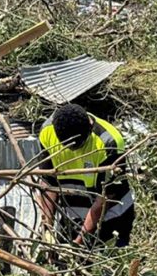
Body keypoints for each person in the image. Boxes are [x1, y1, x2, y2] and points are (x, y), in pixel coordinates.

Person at [38, 103, 134, 246]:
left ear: (89, 128)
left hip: (111, 217)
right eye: (67, 145)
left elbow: (105, 198)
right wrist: (48, 228)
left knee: (107, 260)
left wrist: (78, 242)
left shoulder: (109, 142)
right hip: (72, 214)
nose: (73, 150)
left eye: (78, 145)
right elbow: (48, 183)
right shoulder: (47, 132)